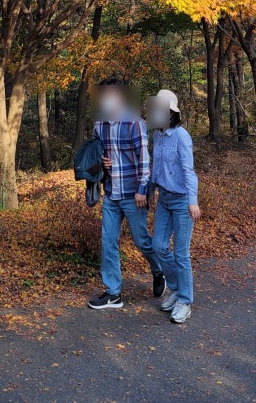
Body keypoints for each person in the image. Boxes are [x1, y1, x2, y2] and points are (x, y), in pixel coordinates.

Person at [87, 78, 164, 309]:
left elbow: (144, 158)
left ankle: (159, 269)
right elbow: (96, 150)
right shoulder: (99, 124)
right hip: (111, 192)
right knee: (108, 242)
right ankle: (113, 293)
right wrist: (101, 160)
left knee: (142, 241)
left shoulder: (134, 123)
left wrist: (143, 189)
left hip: (133, 194)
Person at [148, 89, 201, 325]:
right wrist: (148, 191)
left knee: (181, 253)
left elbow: (188, 171)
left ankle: (185, 301)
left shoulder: (182, 136)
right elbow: (156, 167)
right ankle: (176, 288)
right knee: (158, 245)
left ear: (171, 113)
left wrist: (193, 201)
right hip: (164, 198)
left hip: (181, 201)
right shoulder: (157, 137)